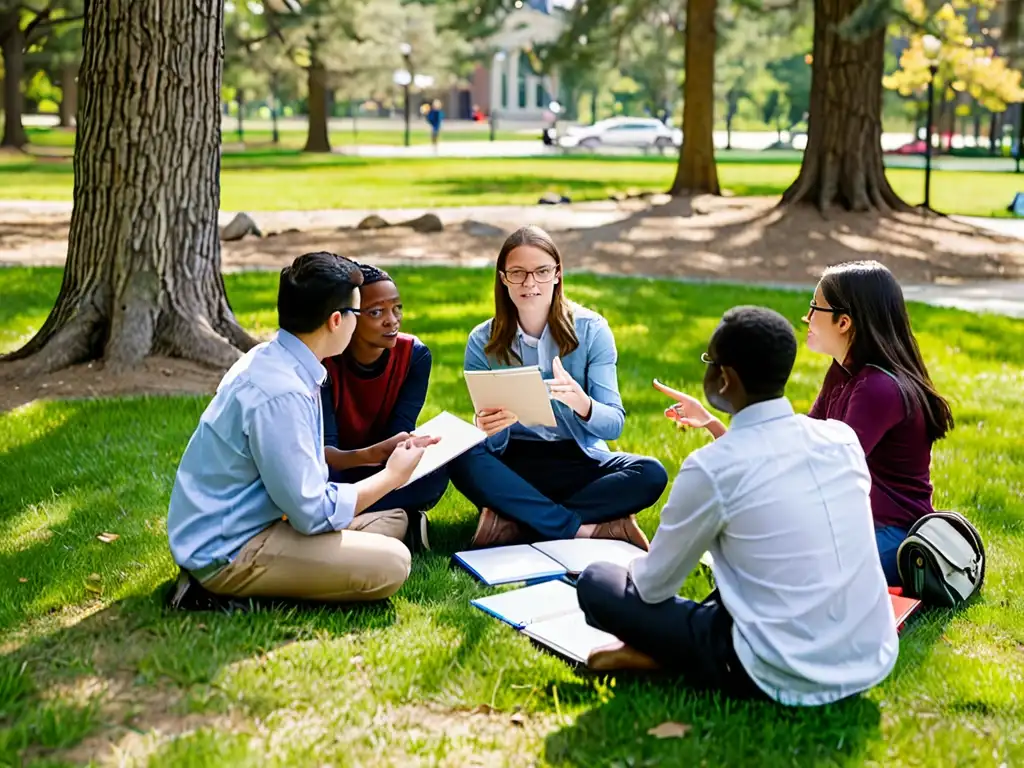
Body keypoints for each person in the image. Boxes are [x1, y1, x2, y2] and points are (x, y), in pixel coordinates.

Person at [576, 306, 899, 706]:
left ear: (725, 379)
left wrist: (627, 568)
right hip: (870, 654)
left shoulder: (711, 468)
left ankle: (667, 656)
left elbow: (652, 587)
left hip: (779, 668)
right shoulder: (841, 440)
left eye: (710, 362)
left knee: (596, 582)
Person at [166, 252, 438, 607]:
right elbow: (312, 514)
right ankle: (211, 590)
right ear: (337, 320)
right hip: (230, 546)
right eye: (360, 313)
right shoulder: (282, 393)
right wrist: (392, 476)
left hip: (264, 520)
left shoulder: (279, 361)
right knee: (392, 563)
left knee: (392, 518)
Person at [449, 226, 668, 550]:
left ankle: (516, 522)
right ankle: (584, 529)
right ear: (503, 278)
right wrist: (485, 427)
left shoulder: (592, 331)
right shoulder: (482, 341)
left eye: (541, 271)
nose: (529, 283)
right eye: (518, 273)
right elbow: (491, 446)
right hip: (514, 464)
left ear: (557, 275)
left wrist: (583, 404)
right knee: (460, 455)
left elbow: (613, 424)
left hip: (577, 459)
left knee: (650, 473)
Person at [804, 261, 954, 586]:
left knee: (786, 564)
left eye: (814, 307)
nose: (807, 317)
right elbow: (803, 441)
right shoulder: (843, 372)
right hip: (857, 524)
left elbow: (827, 466)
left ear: (843, 322)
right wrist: (719, 426)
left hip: (892, 534)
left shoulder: (877, 388)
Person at [320, 262, 446, 551]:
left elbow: (399, 428)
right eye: (376, 312)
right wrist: (373, 454)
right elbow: (325, 452)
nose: (392, 320)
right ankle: (394, 518)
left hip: (381, 469)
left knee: (438, 472)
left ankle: (333, 515)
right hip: (337, 468)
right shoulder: (325, 362)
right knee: (316, 480)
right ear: (347, 318)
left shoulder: (414, 355)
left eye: (396, 308)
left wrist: (403, 449)